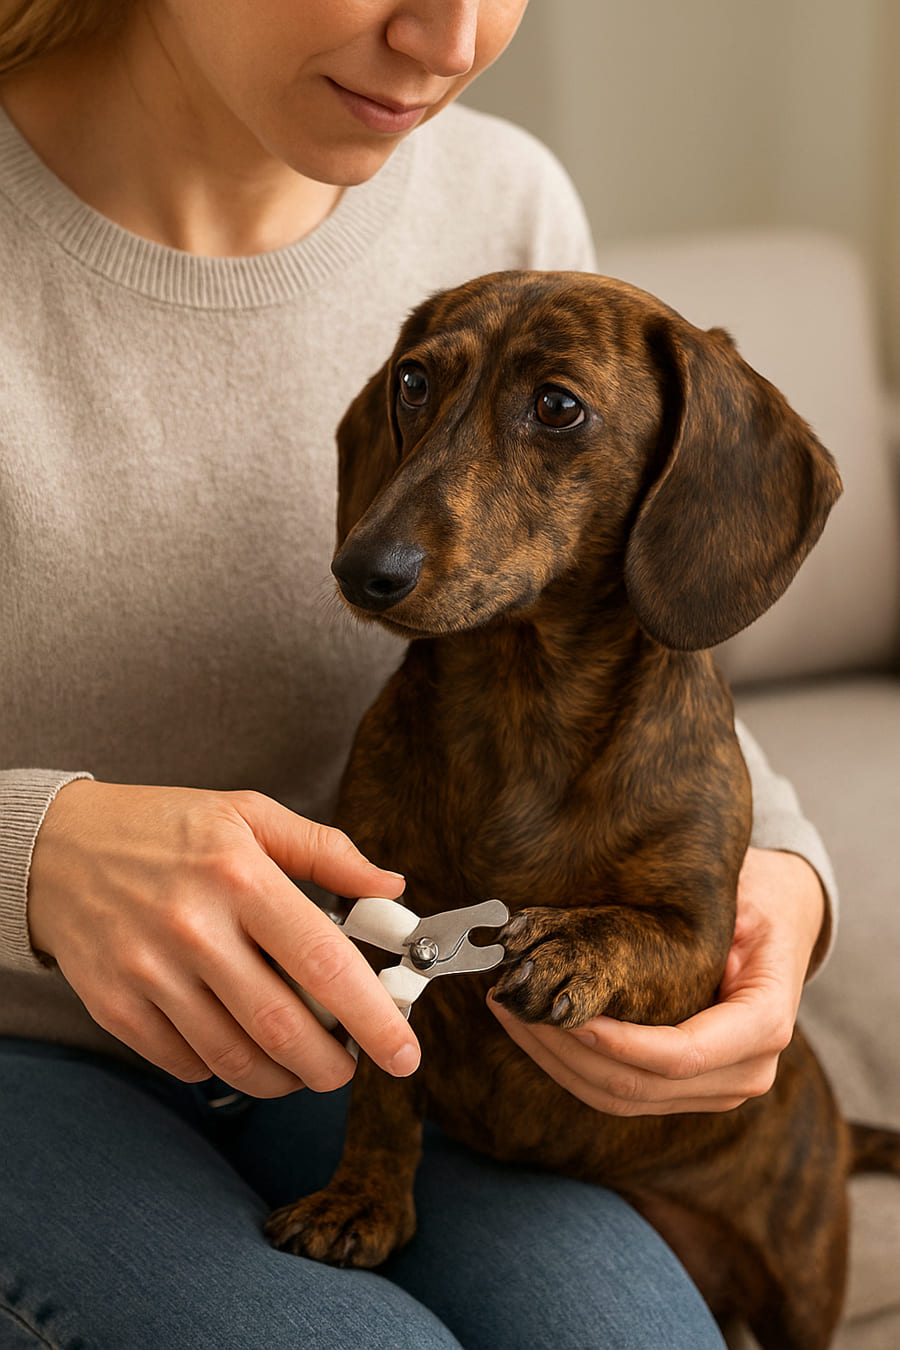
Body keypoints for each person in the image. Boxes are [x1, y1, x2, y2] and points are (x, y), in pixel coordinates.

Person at [0, 2, 835, 1346]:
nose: (448, 36)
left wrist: (781, 893)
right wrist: (30, 853)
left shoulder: (497, 199)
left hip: (369, 1029)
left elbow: (648, 632)